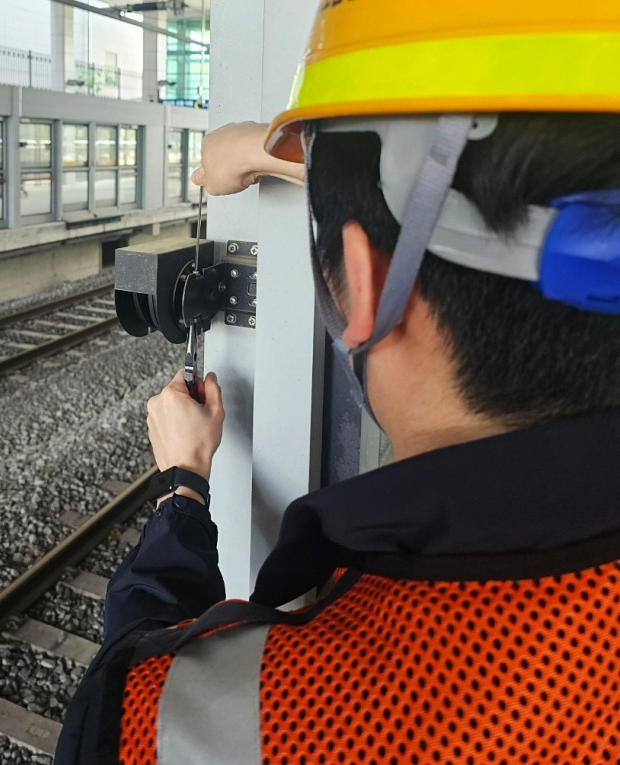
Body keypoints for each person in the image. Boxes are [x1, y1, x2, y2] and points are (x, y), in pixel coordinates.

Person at [55, 2, 620, 762]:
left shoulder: (270, 717)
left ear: (361, 284)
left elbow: (136, 678)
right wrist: (260, 151)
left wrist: (183, 490)